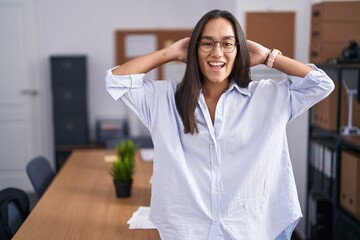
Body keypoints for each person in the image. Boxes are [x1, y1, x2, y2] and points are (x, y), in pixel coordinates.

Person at [105, 9, 334, 240]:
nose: (217, 53)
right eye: (207, 43)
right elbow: (116, 80)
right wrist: (171, 52)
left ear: (239, 50)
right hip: (187, 232)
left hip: (254, 230)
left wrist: (268, 57)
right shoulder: (164, 99)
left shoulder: (267, 96)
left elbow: (320, 84)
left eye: (227, 44)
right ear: (194, 49)